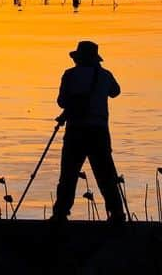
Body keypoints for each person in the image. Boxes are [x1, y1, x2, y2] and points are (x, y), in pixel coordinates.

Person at [51, 40, 125, 224]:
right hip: (99, 132)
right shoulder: (104, 75)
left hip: (75, 131)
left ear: (77, 59)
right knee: (106, 175)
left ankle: (60, 214)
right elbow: (116, 92)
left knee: (68, 174)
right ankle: (117, 214)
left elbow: (62, 102)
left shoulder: (69, 75)